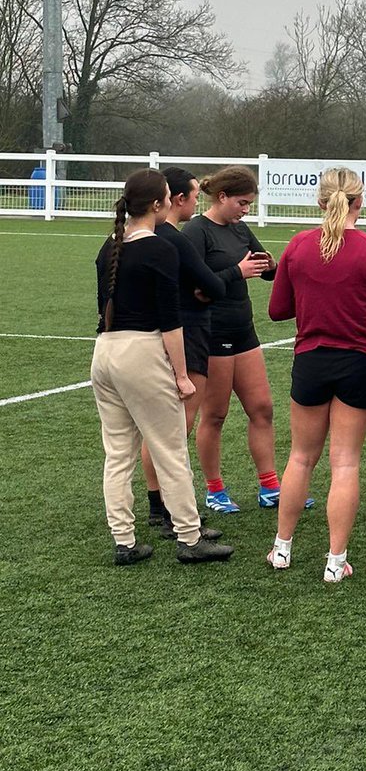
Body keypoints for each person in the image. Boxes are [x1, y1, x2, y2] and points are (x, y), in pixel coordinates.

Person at [266, 167, 366, 582]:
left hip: (312, 359)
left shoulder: (299, 245)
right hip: (359, 362)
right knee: (345, 463)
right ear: (360, 202)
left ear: (320, 202)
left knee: (300, 457)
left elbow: (277, 310)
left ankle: (282, 548)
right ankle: (335, 561)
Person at [92, 168, 233, 564]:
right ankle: (189, 536)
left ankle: (124, 541)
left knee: (117, 454)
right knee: (170, 449)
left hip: (104, 350)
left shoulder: (110, 246)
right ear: (157, 204)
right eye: (168, 197)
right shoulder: (160, 249)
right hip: (142, 351)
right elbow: (171, 321)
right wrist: (182, 375)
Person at [142, 166, 266, 536]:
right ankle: (184, 503)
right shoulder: (186, 234)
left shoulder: (136, 237)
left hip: (142, 339)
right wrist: (234, 273)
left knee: (143, 433)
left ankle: (156, 509)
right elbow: (202, 287)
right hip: (197, 333)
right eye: (194, 196)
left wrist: (262, 266)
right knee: (183, 423)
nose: (197, 202)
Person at [182, 166, 279, 514]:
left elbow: (264, 269)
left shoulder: (240, 228)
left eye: (249, 204)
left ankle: (270, 486)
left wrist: (270, 265)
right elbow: (195, 286)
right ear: (222, 197)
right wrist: (237, 272)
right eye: (242, 203)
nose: (246, 210)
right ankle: (215, 490)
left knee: (262, 408)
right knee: (216, 414)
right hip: (212, 332)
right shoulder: (196, 231)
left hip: (244, 331)